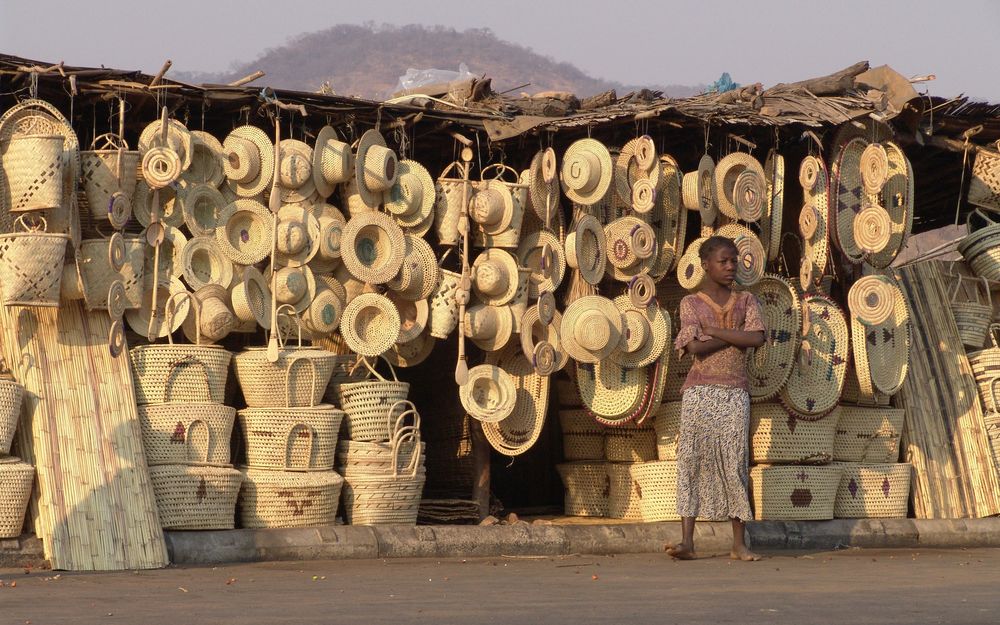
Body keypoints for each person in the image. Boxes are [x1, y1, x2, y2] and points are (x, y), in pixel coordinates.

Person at [668, 235, 766, 562]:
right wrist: (735, 336)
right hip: (699, 392)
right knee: (691, 461)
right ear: (706, 265)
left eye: (734, 260)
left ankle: (739, 544)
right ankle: (687, 541)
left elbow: (756, 337)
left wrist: (717, 331)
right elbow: (693, 347)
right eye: (723, 261)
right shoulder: (690, 303)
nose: (730, 266)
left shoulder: (747, 301)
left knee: (734, 462)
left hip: (735, 391)